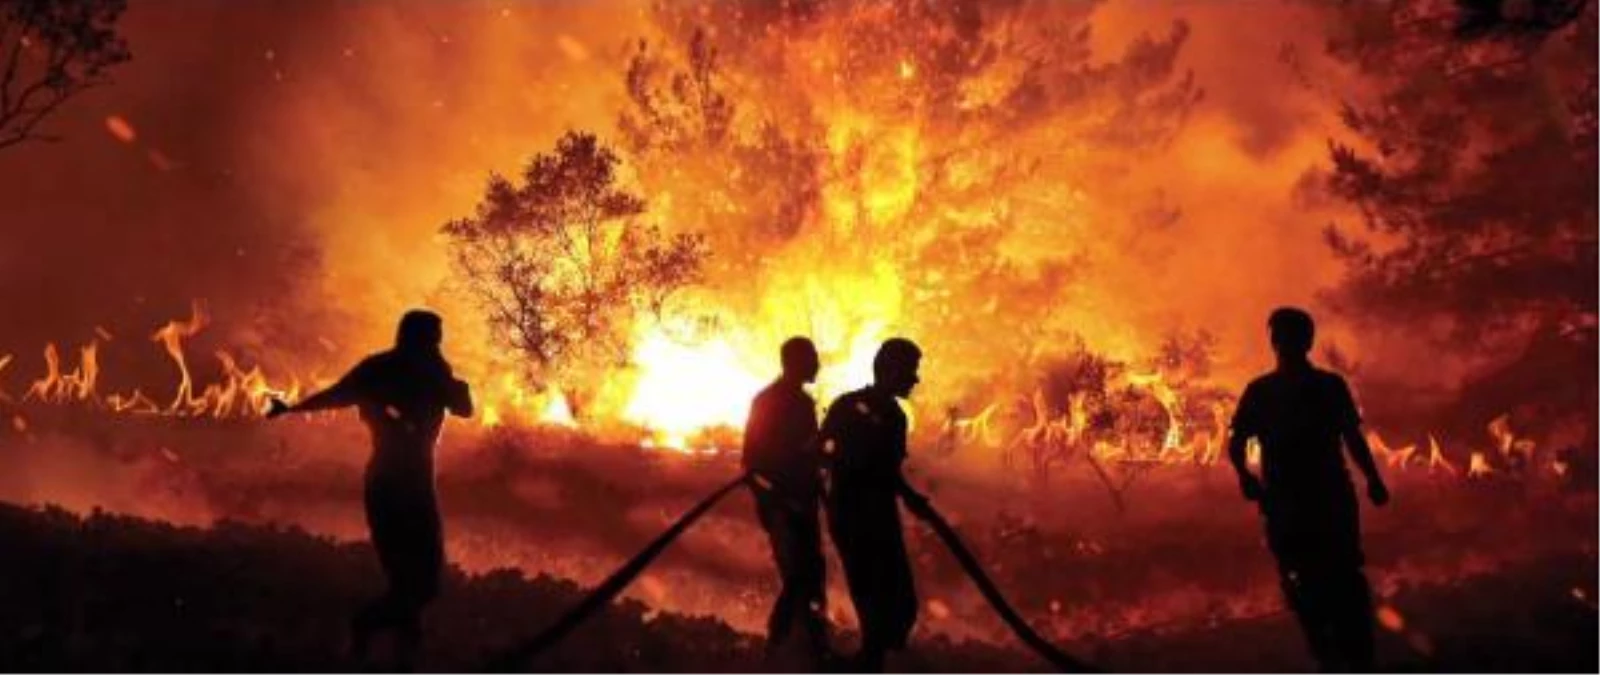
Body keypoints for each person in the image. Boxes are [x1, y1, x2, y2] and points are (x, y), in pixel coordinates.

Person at [267, 310, 473, 673]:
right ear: (418, 337)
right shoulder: (390, 370)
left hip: (414, 485)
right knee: (415, 581)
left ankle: (400, 655)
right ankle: (367, 632)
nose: (438, 343)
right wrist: (294, 408)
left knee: (419, 581)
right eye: (433, 336)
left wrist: (455, 385)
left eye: (438, 336)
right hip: (392, 485)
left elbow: (464, 408)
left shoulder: (425, 371)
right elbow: (339, 395)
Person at [1228, 307, 1390, 675]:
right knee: (1315, 575)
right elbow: (1237, 442)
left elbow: (1351, 437)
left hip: (1316, 497)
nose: (1282, 342)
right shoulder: (1279, 390)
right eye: (1282, 335)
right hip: (1301, 498)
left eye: (1284, 335)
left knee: (1327, 576)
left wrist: (1373, 479)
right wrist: (1245, 476)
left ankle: (1347, 653)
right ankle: (1337, 654)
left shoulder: (1311, 388)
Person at [818, 338, 933, 675]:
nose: (915, 379)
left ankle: (872, 659)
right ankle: (869, 663)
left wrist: (911, 499)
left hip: (881, 516)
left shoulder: (896, 417)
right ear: (889, 370)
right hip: (853, 516)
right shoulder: (846, 407)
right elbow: (821, 453)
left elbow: (888, 472)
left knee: (902, 603)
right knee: (872, 598)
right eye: (910, 371)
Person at [742, 337, 829, 666]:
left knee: (811, 575)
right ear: (795, 362)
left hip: (803, 504)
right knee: (798, 577)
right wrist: (773, 501)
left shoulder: (803, 404)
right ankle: (777, 648)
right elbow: (750, 462)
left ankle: (811, 647)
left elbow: (808, 456)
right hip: (784, 508)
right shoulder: (768, 402)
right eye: (813, 359)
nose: (818, 365)